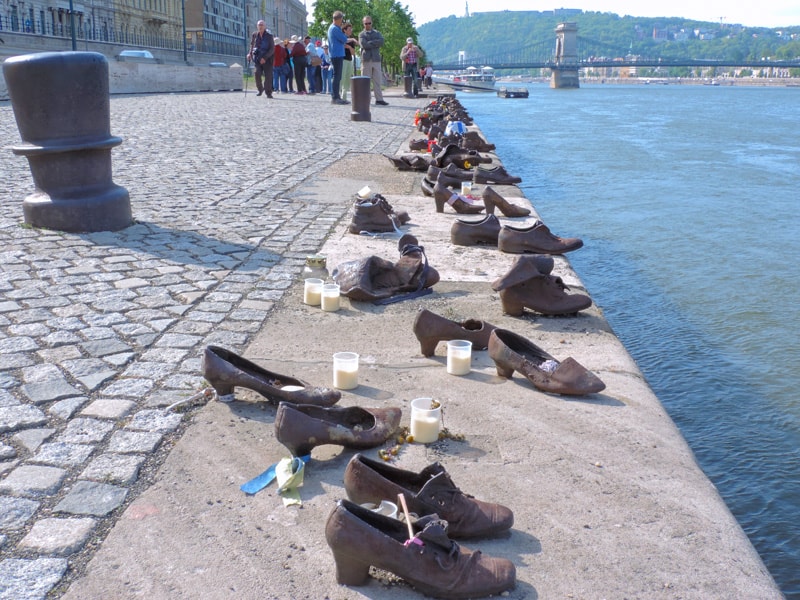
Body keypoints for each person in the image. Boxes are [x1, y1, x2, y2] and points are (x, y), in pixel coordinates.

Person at [358, 15, 387, 106]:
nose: (367, 25)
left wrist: (369, 43)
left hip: (376, 59)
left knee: (377, 80)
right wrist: (375, 43)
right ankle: (365, 99)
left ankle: (379, 99)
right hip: (366, 60)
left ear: (372, 23)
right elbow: (363, 45)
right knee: (365, 82)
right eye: (366, 23)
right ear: (363, 24)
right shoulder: (361, 34)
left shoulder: (377, 33)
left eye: (369, 23)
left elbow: (381, 41)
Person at [327, 11, 350, 105]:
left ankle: (337, 96)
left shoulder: (332, 28)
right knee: (337, 76)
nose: (342, 22)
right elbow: (344, 39)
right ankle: (335, 97)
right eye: (341, 20)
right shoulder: (335, 29)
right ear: (339, 19)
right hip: (336, 55)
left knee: (337, 76)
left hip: (336, 54)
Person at [249, 20, 275, 98]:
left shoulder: (269, 36)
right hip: (257, 58)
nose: (260, 26)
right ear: (257, 26)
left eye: (262, 25)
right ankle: (260, 89)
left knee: (268, 76)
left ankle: (268, 92)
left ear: (265, 26)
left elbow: (272, 49)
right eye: (259, 25)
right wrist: (249, 54)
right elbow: (252, 45)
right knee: (257, 73)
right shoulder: (254, 35)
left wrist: (265, 57)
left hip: (267, 59)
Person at [340, 22, 358, 102]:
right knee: (341, 78)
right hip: (342, 60)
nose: (351, 31)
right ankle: (338, 96)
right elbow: (342, 43)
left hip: (349, 60)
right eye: (349, 29)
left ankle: (344, 97)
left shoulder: (351, 41)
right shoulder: (341, 37)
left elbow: (353, 53)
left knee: (347, 79)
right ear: (344, 30)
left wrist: (350, 47)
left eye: (351, 29)